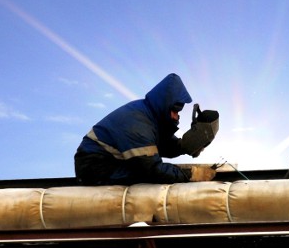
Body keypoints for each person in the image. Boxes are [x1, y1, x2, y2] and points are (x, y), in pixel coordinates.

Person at [74, 73, 218, 185]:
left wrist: (185, 146)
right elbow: (153, 170)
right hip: (94, 166)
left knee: (147, 174)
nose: (176, 117)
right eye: (175, 111)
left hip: (110, 161)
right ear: (165, 105)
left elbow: (166, 145)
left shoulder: (150, 117)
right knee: (146, 177)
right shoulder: (138, 125)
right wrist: (192, 174)